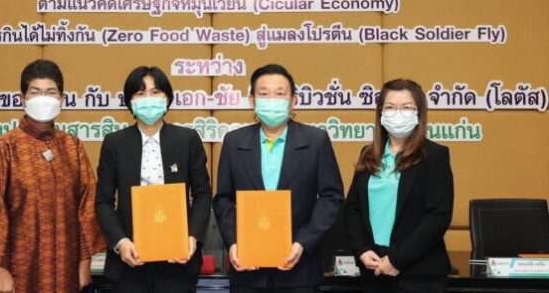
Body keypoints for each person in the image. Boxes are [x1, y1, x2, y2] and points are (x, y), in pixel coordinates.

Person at [0, 59, 106, 293]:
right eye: (35, 92)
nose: (43, 98)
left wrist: (84, 263)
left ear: (62, 99)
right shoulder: (4, 147)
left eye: (50, 92)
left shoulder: (73, 147)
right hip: (19, 270)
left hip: (66, 268)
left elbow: (86, 210)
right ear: (22, 99)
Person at [213, 64, 344, 293]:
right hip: (247, 269)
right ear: (252, 100)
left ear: (293, 100)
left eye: (280, 93)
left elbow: (331, 198)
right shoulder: (234, 141)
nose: (272, 100)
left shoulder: (316, 141)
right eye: (264, 94)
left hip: (299, 271)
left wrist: (303, 242)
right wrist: (234, 243)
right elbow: (223, 199)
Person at [95, 66, 212, 293]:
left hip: (178, 262)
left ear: (167, 98)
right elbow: (103, 201)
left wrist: (192, 238)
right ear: (130, 101)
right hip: (130, 263)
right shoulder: (114, 143)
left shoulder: (187, 139)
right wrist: (121, 242)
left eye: (155, 92)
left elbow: (202, 195)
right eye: (140, 93)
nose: (148, 98)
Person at [343, 78, 454, 293]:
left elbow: (438, 217)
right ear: (380, 113)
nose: (398, 113)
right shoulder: (368, 154)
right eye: (390, 107)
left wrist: (396, 260)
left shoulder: (435, 156)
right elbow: (352, 209)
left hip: (418, 274)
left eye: (406, 107)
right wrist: (362, 250)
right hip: (373, 269)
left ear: (419, 113)